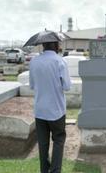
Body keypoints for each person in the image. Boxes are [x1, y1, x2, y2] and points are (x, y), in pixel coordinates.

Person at [29, 41, 71, 173]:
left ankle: (44, 170)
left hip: (40, 110)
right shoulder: (60, 62)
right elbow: (67, 86)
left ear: (43, 45)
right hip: (56, 110)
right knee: (58, 141)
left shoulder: (34, 62)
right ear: (55, 45)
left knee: (43, 144)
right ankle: (55, 171)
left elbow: (32, 85)